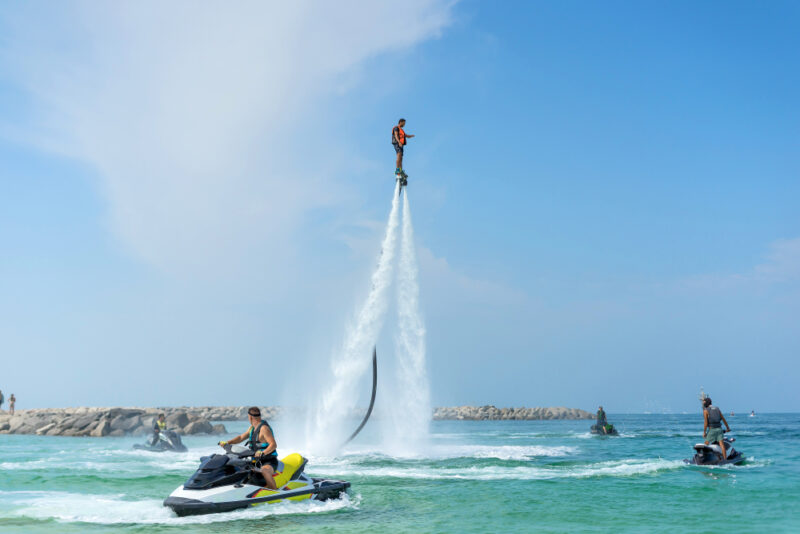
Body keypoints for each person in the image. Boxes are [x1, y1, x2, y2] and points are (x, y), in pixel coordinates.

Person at [219, 407, 278, 490]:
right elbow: (240, 437)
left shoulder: (264, 429)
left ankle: (274, 491)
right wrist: (227, 442)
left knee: (265, 471)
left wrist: (263, 453)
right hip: (256, 461)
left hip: (268, 462)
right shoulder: (252, 428)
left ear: (250, 417)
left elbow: (273, 445)